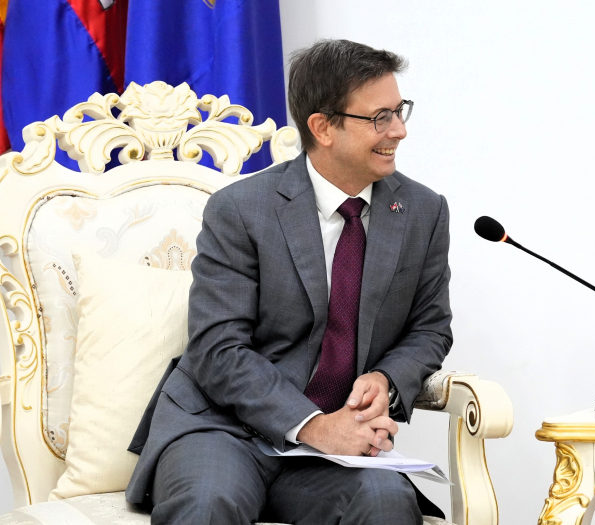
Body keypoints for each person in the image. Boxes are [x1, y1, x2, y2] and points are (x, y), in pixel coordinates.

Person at [125, 39, 452, 525]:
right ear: (322, 127)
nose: (399, 130)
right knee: (207, 504)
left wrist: (386, 379)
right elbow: (218, 347)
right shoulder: (240, 210)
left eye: (400, 110)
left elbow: (430, 328)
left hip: (334, 452)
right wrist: (312, 425)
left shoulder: (423, 211)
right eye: (380, 117)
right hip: (224, 428)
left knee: (386, 501)